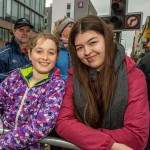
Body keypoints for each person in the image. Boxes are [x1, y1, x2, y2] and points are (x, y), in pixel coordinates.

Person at [56, 15, 149, 150]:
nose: (87, 52)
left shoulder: (133, 76)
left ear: (107, 39)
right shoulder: (74, 75)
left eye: (93, 42)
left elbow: (136, 137)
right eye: (80, 48)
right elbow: (63, 122)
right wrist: (109, 145)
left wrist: (80, 136)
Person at [0, 32, 66, 149]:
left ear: (57, 56)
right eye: (39, 51)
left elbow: (41, 126)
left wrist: (4, 142)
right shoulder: (16, 76)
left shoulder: (56, 86)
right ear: (30, 54)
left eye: (51, 53)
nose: (45, 57)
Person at [0, 18, 33, 82]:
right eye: (21, 30)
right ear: (14, 32)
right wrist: (18, 77)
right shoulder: (3, 54)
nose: (25, 33)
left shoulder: (35, 53)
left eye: (28, 31)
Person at [53, 16, 74, 81]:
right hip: (60, 87)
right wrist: (69, 80)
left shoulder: (78, 48)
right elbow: (51, 72)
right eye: (70, 26)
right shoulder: (54, 49)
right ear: (61, 31)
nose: (74, 28)